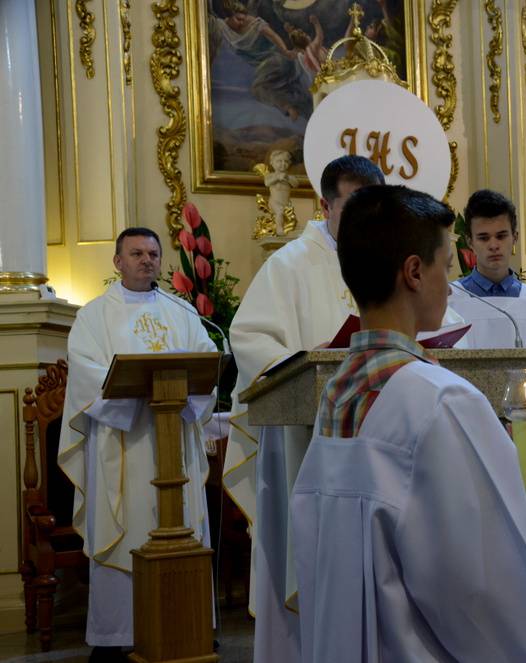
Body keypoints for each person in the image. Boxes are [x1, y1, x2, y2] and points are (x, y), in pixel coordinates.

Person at [291, 185, 526, 662]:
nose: (449, 284)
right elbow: (473, 580)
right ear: (414, 272)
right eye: (446, 265)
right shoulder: (440, 398)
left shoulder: (338, 392)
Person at [223, 155, 384, 661]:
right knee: (307, 565)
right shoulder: (289, 264)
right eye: (353, 205)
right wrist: (305, 365)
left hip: (377, 437)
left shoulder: (385, 260)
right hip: (303, 441)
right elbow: (249, 338)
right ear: (324, 204)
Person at [58, 228, 217, 662]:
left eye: (152, 253)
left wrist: (174, 393)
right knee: (124, 528)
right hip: (122, 444)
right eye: (136, 253)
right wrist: (135, 397)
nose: (147, 260)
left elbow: (206, 363)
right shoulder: (94, 316)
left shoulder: (182, 312)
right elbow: (87, 373)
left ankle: (187, 627)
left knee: (181, 528)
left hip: (172, 440)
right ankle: (116, 636)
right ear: (118, 262)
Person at [448, 189, 526, 392]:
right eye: (483, 238)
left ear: (515, 238)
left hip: (524, 410)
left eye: (501, 236)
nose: (493, 245)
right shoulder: (450, 299)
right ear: (470, 242)